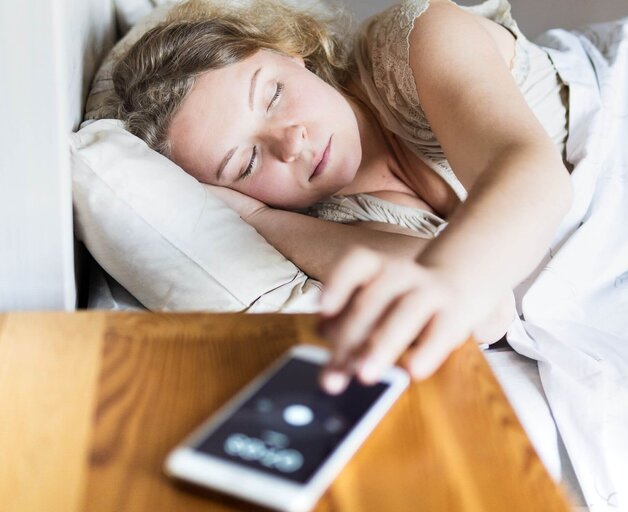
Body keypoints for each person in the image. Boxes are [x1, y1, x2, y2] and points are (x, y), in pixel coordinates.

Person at [112, 0, 573, 394]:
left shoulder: (419, 42)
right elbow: (488, 314)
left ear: (294, 56)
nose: (291, 144)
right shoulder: (338, 221)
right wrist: (259, 219)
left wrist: (449, 280)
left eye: (273, 96)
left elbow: (531, 175)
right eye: (246, 164)